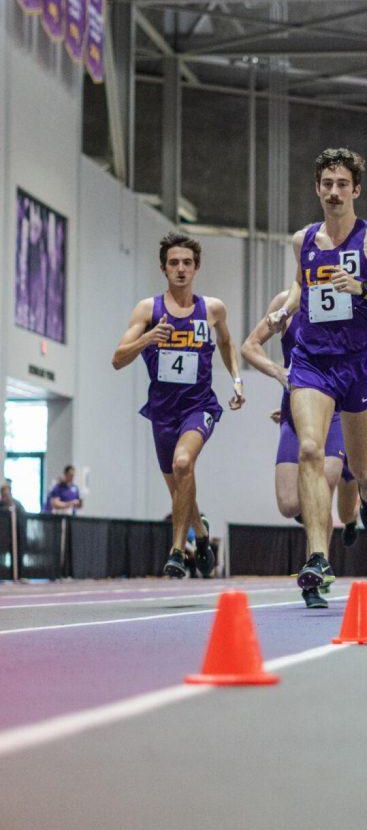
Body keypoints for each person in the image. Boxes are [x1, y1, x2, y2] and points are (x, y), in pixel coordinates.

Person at [267, 147, 367, 608]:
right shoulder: (303, 239)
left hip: (359, 363)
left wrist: (363, 288)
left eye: (342, 185)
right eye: (326, 184)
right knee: (310, 449)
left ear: (356, 190)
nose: (333, 192)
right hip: (312, 361)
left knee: (361, 467)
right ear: (317, 188)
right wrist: (289, 305)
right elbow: (301, 281)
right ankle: (316, 556)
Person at [112, 231, 245, 579]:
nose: (181, 269)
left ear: (197, 267)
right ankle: (201, 535)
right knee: (178, 486)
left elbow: (228, 344)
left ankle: (176, 550)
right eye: (174, 263)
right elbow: (117, 359)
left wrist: (237, 379)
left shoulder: (212, 308)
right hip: (162, 411)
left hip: (198, 406)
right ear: (164, 268)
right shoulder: (148, 309)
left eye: (187, 263)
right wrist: (147, 337)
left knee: (183, 463)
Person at [242, 288, 346, 601]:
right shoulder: (283, 302)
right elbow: (249, 346)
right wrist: (278, 372)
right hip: (295, 408)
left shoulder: (346, 296)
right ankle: (317, 525)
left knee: (323, 482)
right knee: (290, 504)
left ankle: (317, 566)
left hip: (338, 409)